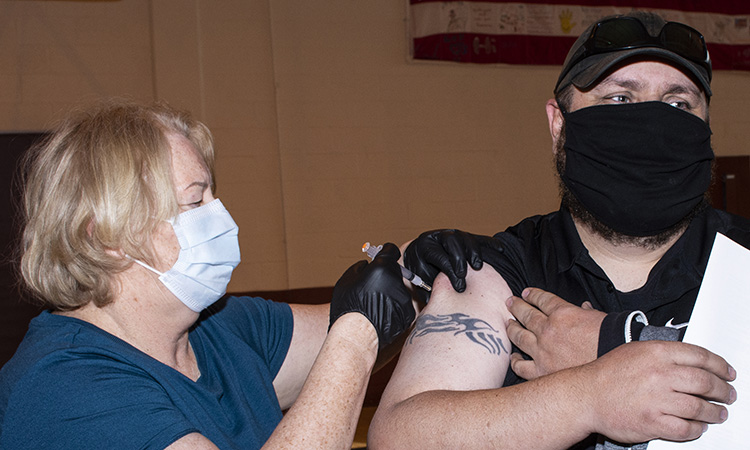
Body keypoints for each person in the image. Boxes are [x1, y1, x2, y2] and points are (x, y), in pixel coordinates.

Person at [368, 11, 745, 450]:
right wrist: (589, 393)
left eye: (679, 105)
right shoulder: (501, 269)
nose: (653, 124)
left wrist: (616, 343)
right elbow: (402, 436)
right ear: (558, 123)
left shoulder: (745, 256)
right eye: (620, 99)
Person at [0, 99, 416, 449]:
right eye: (196, 201)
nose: (222, 218)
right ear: (110, 236)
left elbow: (369, 327)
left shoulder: (217, 327)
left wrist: (420, 273)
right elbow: (355, 336)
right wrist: (358, 332)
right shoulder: (64, 387)